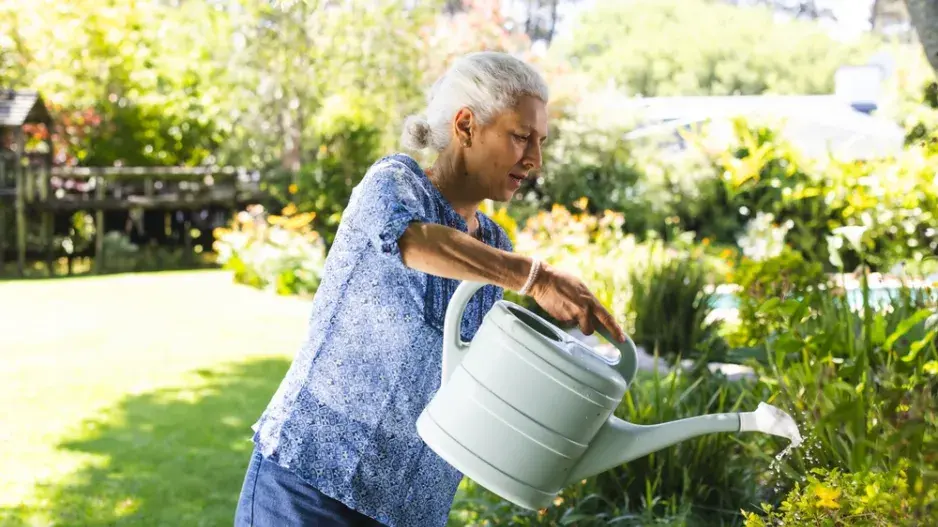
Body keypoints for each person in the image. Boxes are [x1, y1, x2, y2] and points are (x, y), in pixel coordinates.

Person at [234, 51, 626, 527]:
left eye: (539, 142)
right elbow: (413, 241)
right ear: (466, 126)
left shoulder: (496, 245)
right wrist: (536, 278)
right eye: (521, 136)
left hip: (410, 507)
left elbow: (474, 376)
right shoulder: (394, 183)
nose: (534, 160)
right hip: (310, 484)